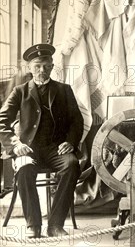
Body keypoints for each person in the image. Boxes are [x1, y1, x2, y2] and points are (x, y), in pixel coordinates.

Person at [0, 43, 83, 238]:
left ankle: (55, 225)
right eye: (37, 66)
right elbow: (1, 121)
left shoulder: (64, 90)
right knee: (24, 168)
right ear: (29, 68)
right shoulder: (20, 92)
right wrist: (15, 144)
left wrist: (70, 141)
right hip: (28, 149)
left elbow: (76, 121)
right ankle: (33, 225)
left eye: (46, 66)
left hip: (56, 149)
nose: (42, 70)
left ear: (52, 66)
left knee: (72, 165)